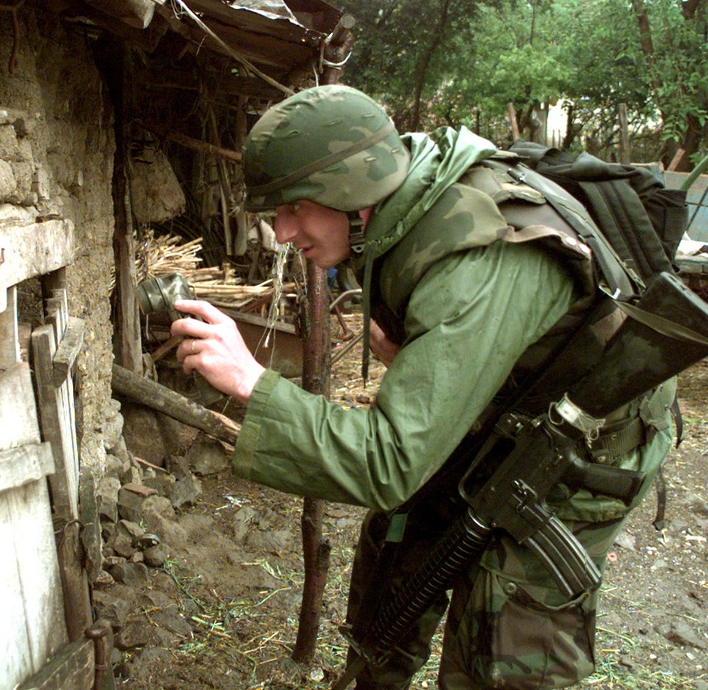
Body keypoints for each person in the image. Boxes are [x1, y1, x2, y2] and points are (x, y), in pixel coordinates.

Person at [169, 85, 674, 689]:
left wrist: (253, 383)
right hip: (500, 418)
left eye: (295, 207)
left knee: (501, 653)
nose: (281, 232)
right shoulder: (405, 203)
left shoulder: (479, 254)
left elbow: (389, 461)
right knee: (394, 570)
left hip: (570, 464)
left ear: (350, 192)